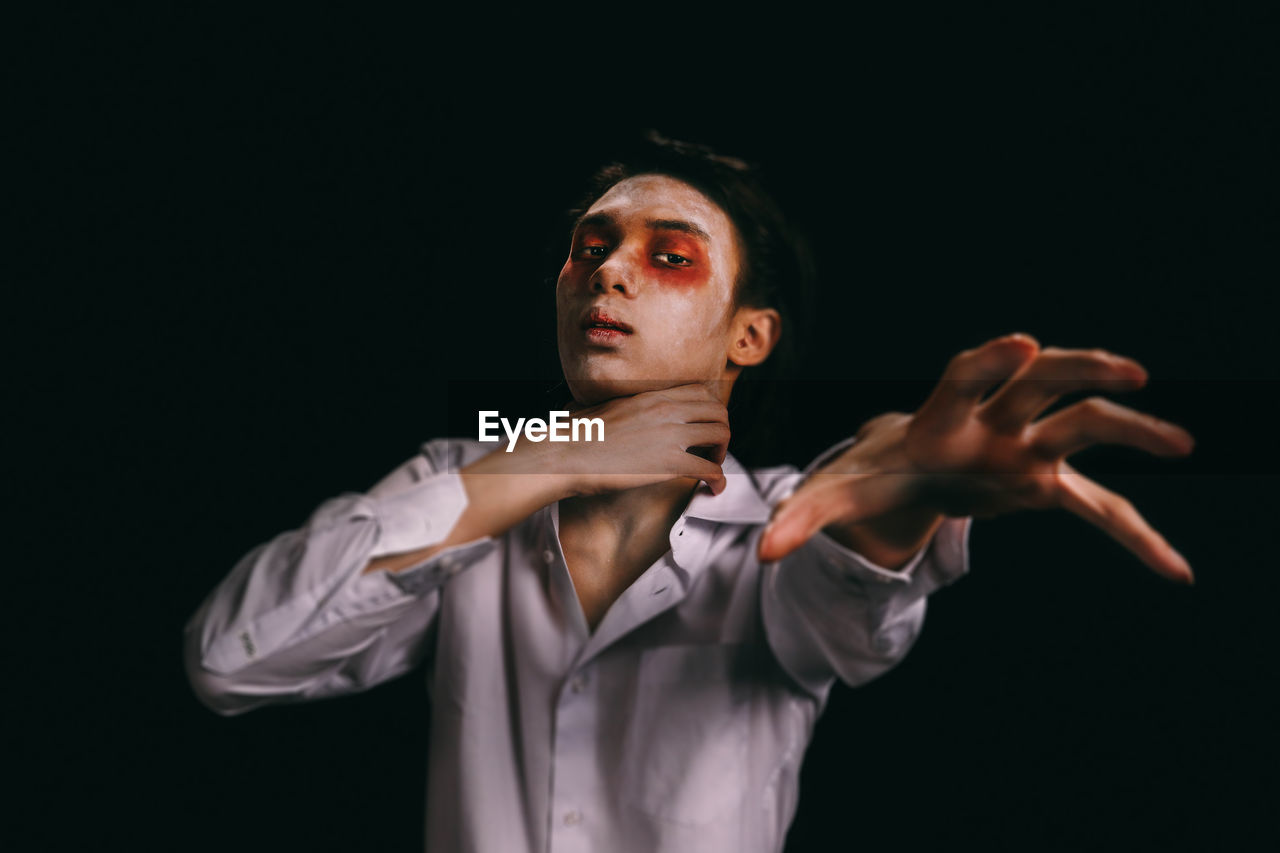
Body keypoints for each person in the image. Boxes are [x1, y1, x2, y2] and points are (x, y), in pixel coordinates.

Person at [184, 134, 1195, 852]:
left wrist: (908, 496)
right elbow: (233, 661)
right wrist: (549, 458)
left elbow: (849, 613)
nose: (608, 272)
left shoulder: (785, 515)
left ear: (747, 336)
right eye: (588, 248)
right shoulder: (470, 475)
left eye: (667, 257)